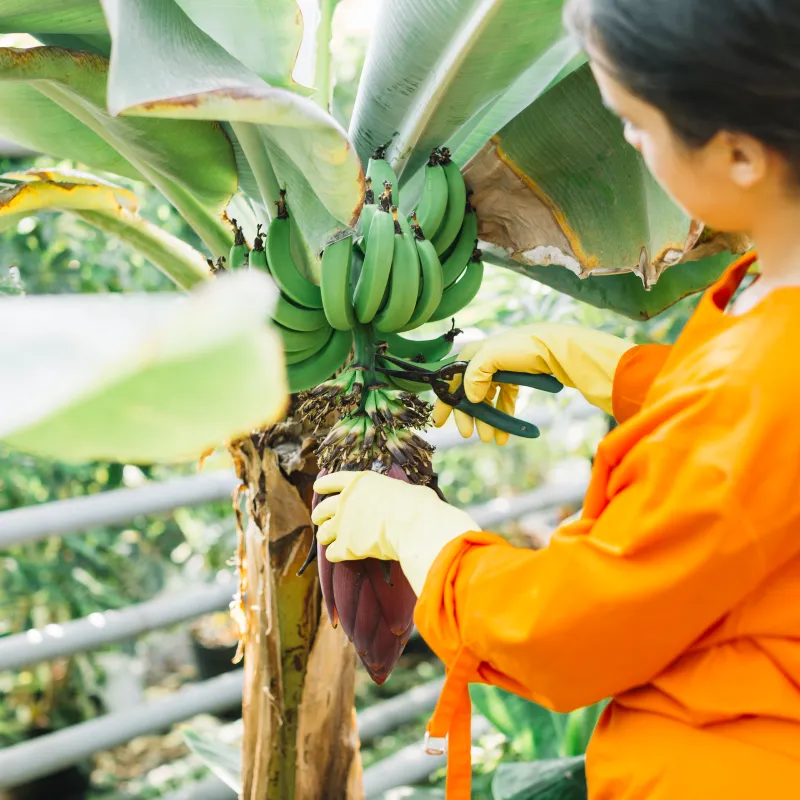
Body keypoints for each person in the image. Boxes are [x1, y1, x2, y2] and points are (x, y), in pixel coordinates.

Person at [312, 0, 800, 796]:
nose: (631, 149)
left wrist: (419, 528)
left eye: (635, 124)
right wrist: (594, 362)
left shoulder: (755, 383)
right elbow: (756, 457)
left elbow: (569, 629)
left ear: (742, 152)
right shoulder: (772, 295)